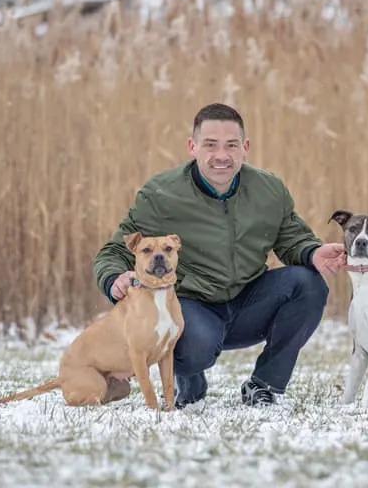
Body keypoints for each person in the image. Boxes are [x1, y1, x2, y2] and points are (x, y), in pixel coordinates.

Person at [93, 103, 346, 408]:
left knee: (308, 283)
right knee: (192, 346)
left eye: (231, 145)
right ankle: (190, 378)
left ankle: (263, 384)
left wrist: (313, 252)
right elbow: (116, 250)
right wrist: (113, 279)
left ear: (245, 148)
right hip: (191, 308)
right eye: (210, 145)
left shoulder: (269, 189)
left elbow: (292, 237)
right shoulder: (161, 195)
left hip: (250, 302)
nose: (222, 156)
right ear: (193, 147)